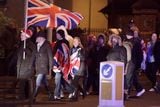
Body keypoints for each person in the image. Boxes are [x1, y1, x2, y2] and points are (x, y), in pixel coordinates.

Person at [53, 26, 74, 100]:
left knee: (58, 79)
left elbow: (65, 54)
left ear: (60, 35)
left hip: (60, 64)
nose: (56, 35)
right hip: (58, 64)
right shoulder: (59, 42)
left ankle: (56, 95)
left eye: (57, 34)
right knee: (61, 80)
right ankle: (72, 91)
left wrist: (62, 65)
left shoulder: (63, 42)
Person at [32, 30, 53, 102]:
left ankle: (33, 97)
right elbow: (34, 56)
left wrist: (50, 69)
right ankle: (50, 94)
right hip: (38, 67)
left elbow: (50, 57)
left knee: (38, 82)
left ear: (41, 38)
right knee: (45, 82)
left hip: (44, 67)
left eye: (37, 37)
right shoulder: (37, 45)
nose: (36, 39)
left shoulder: (47, 45)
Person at [16, 29, 35, 100]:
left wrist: (26, 50)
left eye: (22, 35)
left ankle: (30, 97)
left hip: (26, 68)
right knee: (22, 83)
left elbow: (32, 55)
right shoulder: (21, 44)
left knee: (28, 83)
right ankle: (22, 96)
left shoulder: (30, 44)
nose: (20, 36)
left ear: (26, 36)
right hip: (21, 67)